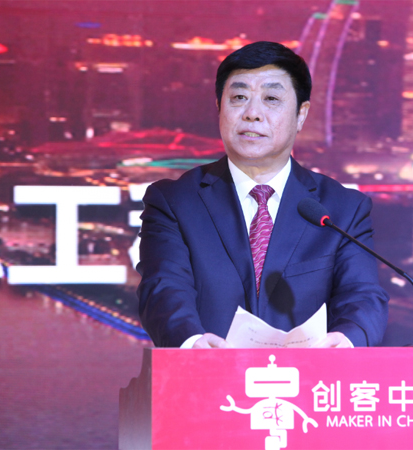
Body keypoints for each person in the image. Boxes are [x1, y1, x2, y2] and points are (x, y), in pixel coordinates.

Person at [137, 41, 389, 349]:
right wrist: (192, 343)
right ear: (219, 108)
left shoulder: (343, 209)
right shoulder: (174, 202)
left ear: (301, 115)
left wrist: (346, 341)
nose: (252, 114)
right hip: (205, 372)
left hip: (309, 376)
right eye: (239, 98)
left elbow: (363, 295)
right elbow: (163, 288)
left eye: (271, 99)